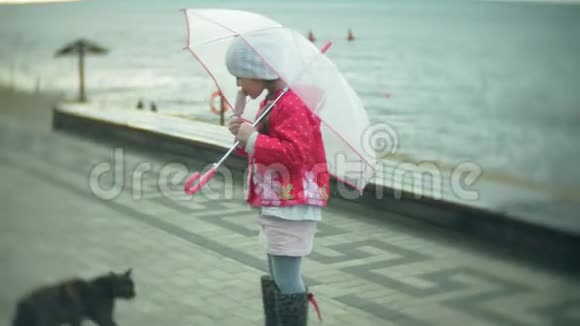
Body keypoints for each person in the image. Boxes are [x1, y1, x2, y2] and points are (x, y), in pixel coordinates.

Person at [225, 32, 329, 326]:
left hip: (292, 205)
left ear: (258, 72)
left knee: (286, 278)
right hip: (280, 203)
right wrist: (247, 138)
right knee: (277, 274)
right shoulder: (273, 101)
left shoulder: (291, 104)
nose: (237, 85)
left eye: (239, 77)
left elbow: (296, 153)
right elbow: (270, 154)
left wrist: (254, 139)